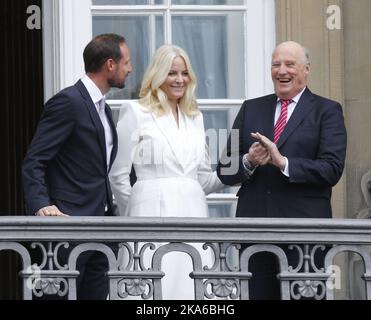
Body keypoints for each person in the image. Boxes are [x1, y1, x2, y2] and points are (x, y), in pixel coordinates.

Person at [217, 41, 347, 299]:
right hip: (255, 231)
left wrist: (283, 162)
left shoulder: (327, 110)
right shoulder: (250, 107)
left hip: (305, 234)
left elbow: (332, 169)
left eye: (290, 64)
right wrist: (249, 161)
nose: (281, 71)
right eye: (276, 64)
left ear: (306, 70)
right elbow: (225, 168)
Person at [109, 44, 224, 299]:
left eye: (184, 74)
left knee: (191, 289)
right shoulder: (136, 112)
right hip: (149, 215)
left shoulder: (195, 117)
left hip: (194, 214)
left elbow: (202, 179)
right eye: (172, 73)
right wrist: (137, 212)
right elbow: (118, 175)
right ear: (158, 75)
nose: (179, 79)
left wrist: (245, 165)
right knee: (152, 291)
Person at [22, 33, 132, 299]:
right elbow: (34, 161)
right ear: (109, 65)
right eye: (126, 62)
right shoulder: (69, 102)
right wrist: (41, 205)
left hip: (102, 229)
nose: (130, 69)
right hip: (67, 230)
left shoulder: (103, 109)